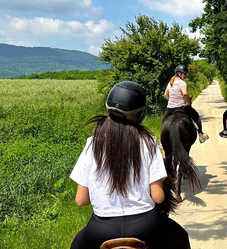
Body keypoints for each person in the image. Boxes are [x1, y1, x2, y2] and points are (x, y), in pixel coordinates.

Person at [70, 81, 190, 249]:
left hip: (100, 229)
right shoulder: (148, 142)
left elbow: (81, 200)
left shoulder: (92, 144)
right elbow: (158, 197)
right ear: (140, 114)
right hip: (145, 226)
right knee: (182, 237)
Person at [163, 64, 209, 144]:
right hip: (182, 107)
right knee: (196, 116)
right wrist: (188, 102)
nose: (186, 75)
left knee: (164, 123)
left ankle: (162, 140)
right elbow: (185, 94)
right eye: (184, 74)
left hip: (170, 108)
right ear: (179, 73)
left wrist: (172, 101)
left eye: (186, 74)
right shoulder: (182, 83)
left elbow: (165, 95)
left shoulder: (170, 83)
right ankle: (201, 135)